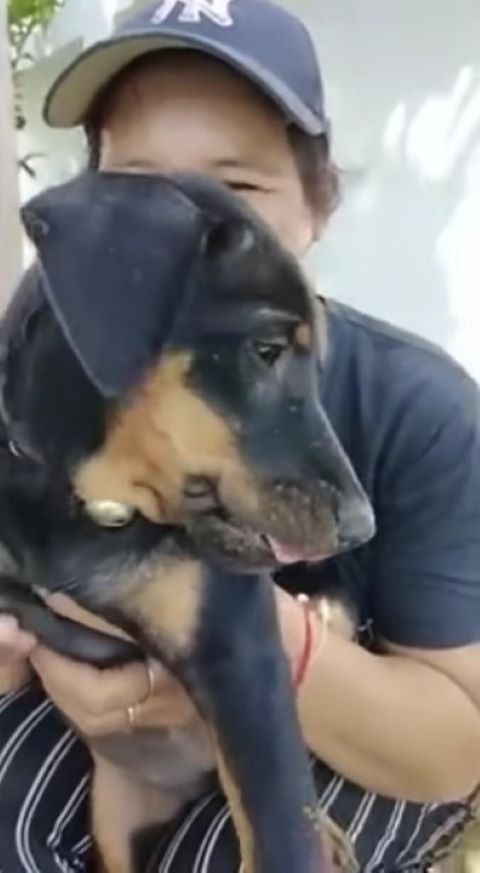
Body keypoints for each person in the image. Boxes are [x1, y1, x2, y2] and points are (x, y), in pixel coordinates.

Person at [2, 0, 480, 870]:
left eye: (237, 188)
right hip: (100, 729)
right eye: (136, 192)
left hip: (348, 740)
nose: (182, 236)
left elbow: (456, 749)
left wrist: (241, 637)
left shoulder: (423, 406)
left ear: (319, 205)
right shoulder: (35, 387)